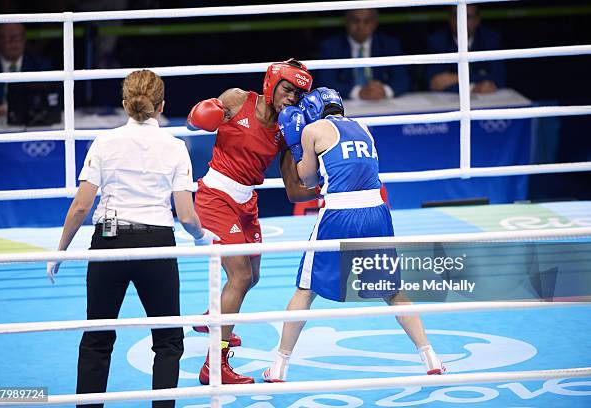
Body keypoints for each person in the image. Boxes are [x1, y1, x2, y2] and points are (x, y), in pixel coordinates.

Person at [46, 69, 218, 408]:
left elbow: (81, 206)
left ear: (125, 104)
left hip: (109, 240)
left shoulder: (104, 142)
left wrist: (59, 251)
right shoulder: (175, 147)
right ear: (161, 104)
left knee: (97, 337)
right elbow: (186, 215)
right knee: (168, 341)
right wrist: (201, 237)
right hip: (156, 242)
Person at [262, 87, 446, 382]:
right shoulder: (364, 127)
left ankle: (279, 366)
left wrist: (297, 148)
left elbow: (307, 179)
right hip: (377, 210)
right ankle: (431, 358)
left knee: (305, 290)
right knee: (393, 291)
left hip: (339, 214)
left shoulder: (312, 129)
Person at [186, 58, 318, 385]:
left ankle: (213, 317)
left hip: (246, 201)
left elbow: (294, 191)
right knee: (240, 276)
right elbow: (193, 123)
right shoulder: (237, 99)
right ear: (272, 84)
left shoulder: (288, 131)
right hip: (215, 194)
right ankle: (214, 364)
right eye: (288, 89)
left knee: (252, 275)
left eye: (299, 94)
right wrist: (202, 115)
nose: (292, 98)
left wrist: (331, 184)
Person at [315, 9, 409, 100]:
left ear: (375, 23)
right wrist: (358, 92)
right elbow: (325, 82)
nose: (360, 26)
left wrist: (384, 90)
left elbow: (403, 79)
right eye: (355, 21)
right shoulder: (331, 46)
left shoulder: (389, 44)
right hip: (347, 106)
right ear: (346, 22)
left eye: (366, 21)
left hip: (381, 103)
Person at [426, 5, 505, 93]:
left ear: (477, 20)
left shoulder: (490, 39)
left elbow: (499, 78)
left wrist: (456, 78)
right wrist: (474, 86)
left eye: (468, 17)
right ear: (449, 18)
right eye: (456, 16)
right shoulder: (438, 41)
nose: (461, 22)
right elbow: (435, 82)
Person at [0, 23, 52, 117]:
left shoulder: (41, 65)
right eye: (6, 38)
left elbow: (51, 99)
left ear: (24, 39)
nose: (13, 42)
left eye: (17, 37)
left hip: (31, 122)